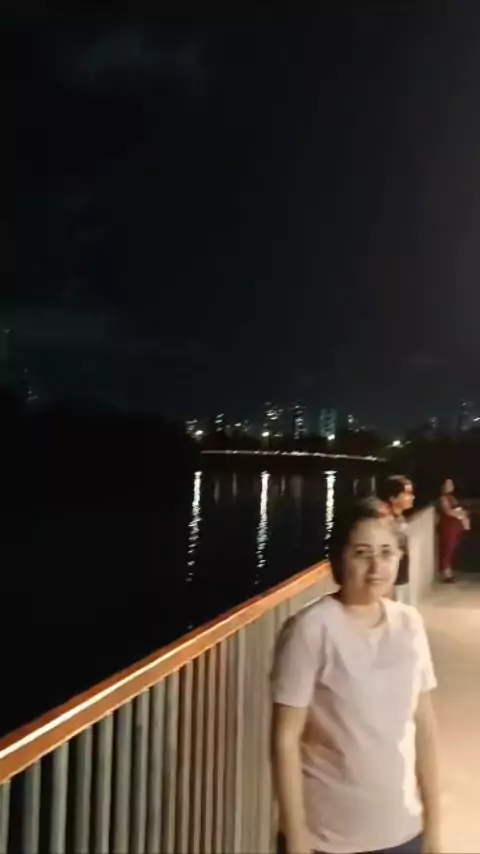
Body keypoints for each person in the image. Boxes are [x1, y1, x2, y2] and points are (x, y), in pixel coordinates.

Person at [271, 502, 441, 854]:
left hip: (403, 832)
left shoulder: (409, 624)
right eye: (362, 553)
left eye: (387, 553)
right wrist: (296, 834)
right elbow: (285, 738)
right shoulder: (310, 629)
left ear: (400, 557)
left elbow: (424, 727)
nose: (376, 567)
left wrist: (434, 828)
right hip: (328, 838)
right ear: (339, 558)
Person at [376, 475, 415, 604]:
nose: (412, 497)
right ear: (393, 498)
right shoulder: (384, 521)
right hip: (392, 579)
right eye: (407, 493)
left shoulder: (399, 517)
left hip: (400, 575)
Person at [437, 478, 469, 583]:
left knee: (451, 549)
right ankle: (447, 574)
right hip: (448, 527)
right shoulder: (443, 499)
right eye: (448, 484)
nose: (450, 486)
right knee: (448, 549)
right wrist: (461, 515)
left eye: (451, 484)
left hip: (455, 527)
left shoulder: (451, 497)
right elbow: (448, 511)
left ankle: (448, 572)